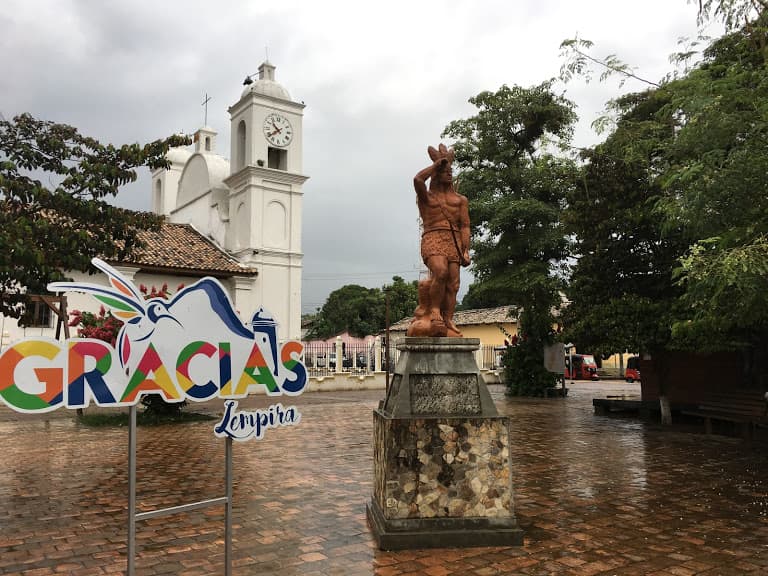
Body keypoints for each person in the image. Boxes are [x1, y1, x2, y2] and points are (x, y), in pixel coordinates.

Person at [407, 144, 470, 337]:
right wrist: (436, 164)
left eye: (450, 171)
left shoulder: (460, 200)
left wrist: (465, 249)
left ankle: (448, 318)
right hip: (433, 237)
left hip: (453, 240)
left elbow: (465, 225)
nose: (449, 174)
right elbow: (418, 179)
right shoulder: (427, 197)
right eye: (445, 171)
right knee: (440, 272)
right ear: (437, 173)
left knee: (453, 284)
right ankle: (434, 311)